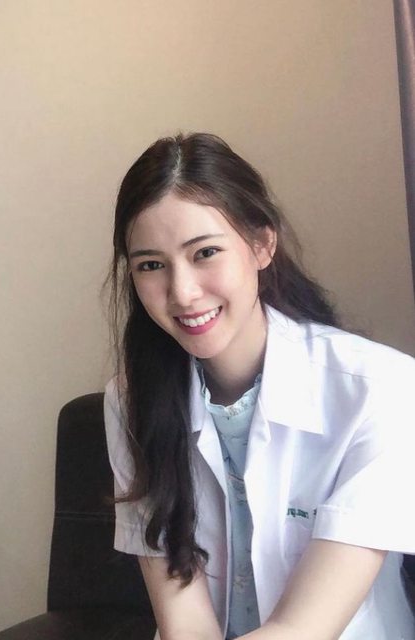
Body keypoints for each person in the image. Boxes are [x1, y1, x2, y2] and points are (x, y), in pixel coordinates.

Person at [103, 132, 415, 640]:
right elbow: (185, 624)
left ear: (261, 244)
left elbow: (303, 628)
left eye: (205, 252)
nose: (182, 292)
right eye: (151, 265)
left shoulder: (383, 389)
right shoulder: (131, 400)